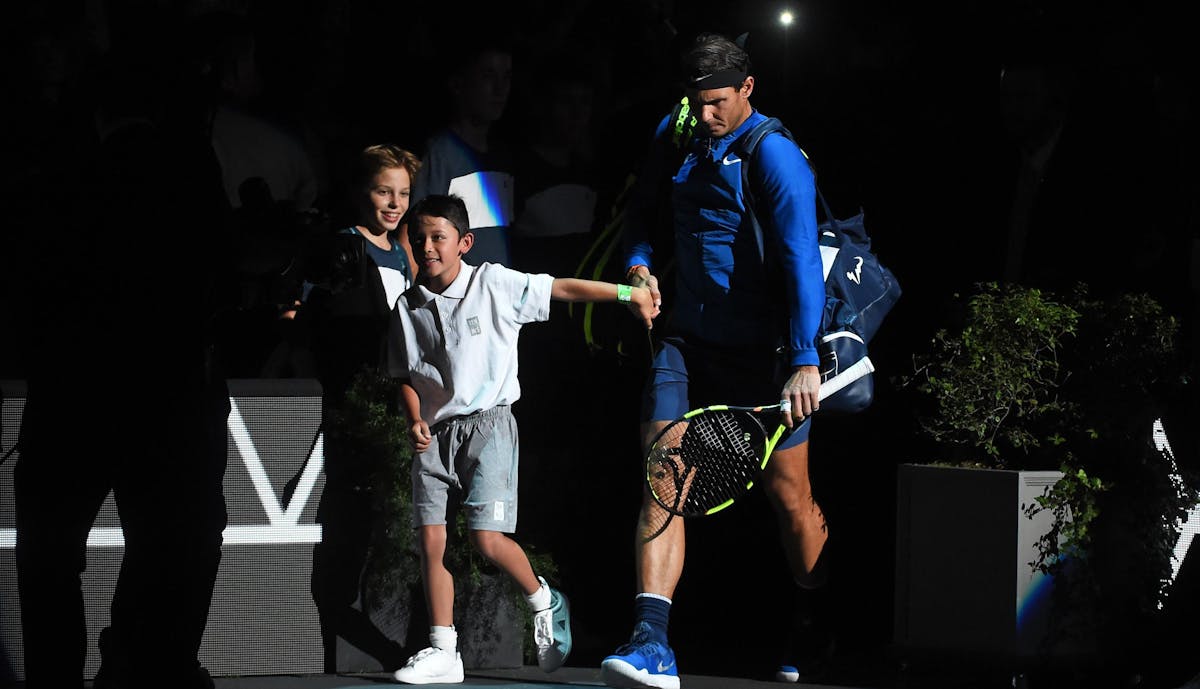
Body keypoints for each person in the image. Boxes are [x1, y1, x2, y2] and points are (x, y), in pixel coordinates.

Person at [599, 33, 830, 689]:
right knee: (662, 476)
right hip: (686, 345)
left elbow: (801, 262)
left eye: (719, 102)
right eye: (697, 102)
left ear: (748, 89)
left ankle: (814, 620)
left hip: (767, 357)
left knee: (792, 502)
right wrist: (639, 265)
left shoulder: (775, 156)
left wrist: (806, 357)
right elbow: (640, 212)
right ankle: (651, 642)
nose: (706, 115)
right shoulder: (675, 135)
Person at [12, 44, 231, 689]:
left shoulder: (59, 172)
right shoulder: (188, 171)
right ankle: (142, 663)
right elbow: (217, 274)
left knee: (51, 557)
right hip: (165, 400)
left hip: (70, 399)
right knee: (175, 545)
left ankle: (61, 674)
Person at [386, 194, 659, 684]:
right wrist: (413, 419)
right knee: (431, 542)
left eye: (438, 237)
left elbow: (562, 289)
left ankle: (543, 598)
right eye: (419, 238)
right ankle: (443, 649)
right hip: (435, 436)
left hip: (489, 426)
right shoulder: (408, 305)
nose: (427, 247)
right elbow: (406, 373)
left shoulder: (493, 282)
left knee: (488, 540)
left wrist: (627, 293)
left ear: (464, 243)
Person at [301, 144, 421, 672]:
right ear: (360, 192)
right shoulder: (342, 249)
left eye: (403, 194)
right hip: (360, 410)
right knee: (350, 532)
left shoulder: (406, 251)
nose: (394, 204)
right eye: (383, 192)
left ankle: (413, 645)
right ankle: (361, 639)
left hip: (403, 408)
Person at [410, 40, 516, 266]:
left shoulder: (506, 156)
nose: (500, 89)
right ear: (458, 84)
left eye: (506, 77)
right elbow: (416, 234)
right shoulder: (440, 153)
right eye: (488, 76)